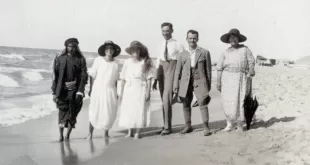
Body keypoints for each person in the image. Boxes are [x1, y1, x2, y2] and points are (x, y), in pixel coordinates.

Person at [173, 30, 212, 136]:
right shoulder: (182, 54)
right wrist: (176, 85)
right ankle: (188, 126)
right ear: (187, 39)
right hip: (185, 81)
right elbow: (177, 71)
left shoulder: (204, 52)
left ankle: (206, 127)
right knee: (185, 104)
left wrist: (208, 85)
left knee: (203, 102)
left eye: (194, 38)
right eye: (190, 38)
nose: (192, 40)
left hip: (199, 80)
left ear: (198, 39)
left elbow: (208, 70)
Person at [216, 29, 255, 132]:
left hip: (241, 78)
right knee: (228, 101)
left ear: (239, 39)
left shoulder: (245, 49)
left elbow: (251, 61)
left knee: (240, 101)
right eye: (231, 38)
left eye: (235, 37)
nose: (233, 39)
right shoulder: (225, 52)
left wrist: (251, 71)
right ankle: (229, 124)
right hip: (227, 79)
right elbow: (219, 68)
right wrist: (218, 82)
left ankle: (240, 124)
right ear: (228, 40)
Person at [51, 38, 88, 142]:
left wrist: (80, 91)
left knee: (73, 113)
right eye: (69, 46)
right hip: (62, 91)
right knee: (62, 113)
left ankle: (68, 135)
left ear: (77, 47)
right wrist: (54, 92)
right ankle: (61, 135)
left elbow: (84, 76)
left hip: (76, 91)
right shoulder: (60, 59)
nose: (71, 48)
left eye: (73, 46)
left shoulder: (81, 59)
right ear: (66, 47)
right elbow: (55, 77)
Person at [152, 22, 184, 135]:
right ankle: (166, 124)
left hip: (172, 67)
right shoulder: (160, 43)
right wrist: (155, 77)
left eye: (167, 30)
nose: (165, 33)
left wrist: (179, 77)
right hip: (161, 68)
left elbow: (182, 60)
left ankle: (167, 127)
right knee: (163, 99)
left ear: (172, 31)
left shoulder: (178, 44)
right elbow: (157, 60)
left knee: (167, 98)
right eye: (163, 31)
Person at [118, 41, 154, 139]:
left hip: (140, 88)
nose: (136, 51)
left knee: (139, 109)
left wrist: (148, 92)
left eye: (137, 49)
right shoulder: (127, 62)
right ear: (131, 51)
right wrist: (120, 92)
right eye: (133, 50)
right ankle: (130, 132)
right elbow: (123, 78)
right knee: (129, 109)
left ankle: (137, 132)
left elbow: (149, 78)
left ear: (140, 51)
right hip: (129, 88)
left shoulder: (144, 61)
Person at [86, 41, 121, 140]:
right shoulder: (98, 60)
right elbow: (92, 75)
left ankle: (106, 133)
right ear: (104, 50)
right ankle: (90, 134)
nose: (109, 50)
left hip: (110, 90)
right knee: (94, 110)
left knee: (109, 111)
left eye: (111, 49)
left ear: (114, 51)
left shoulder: (116, 63)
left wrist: (116, 92)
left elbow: (115, 79)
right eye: (107, 49)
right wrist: (91, 89)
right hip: (98, 89)